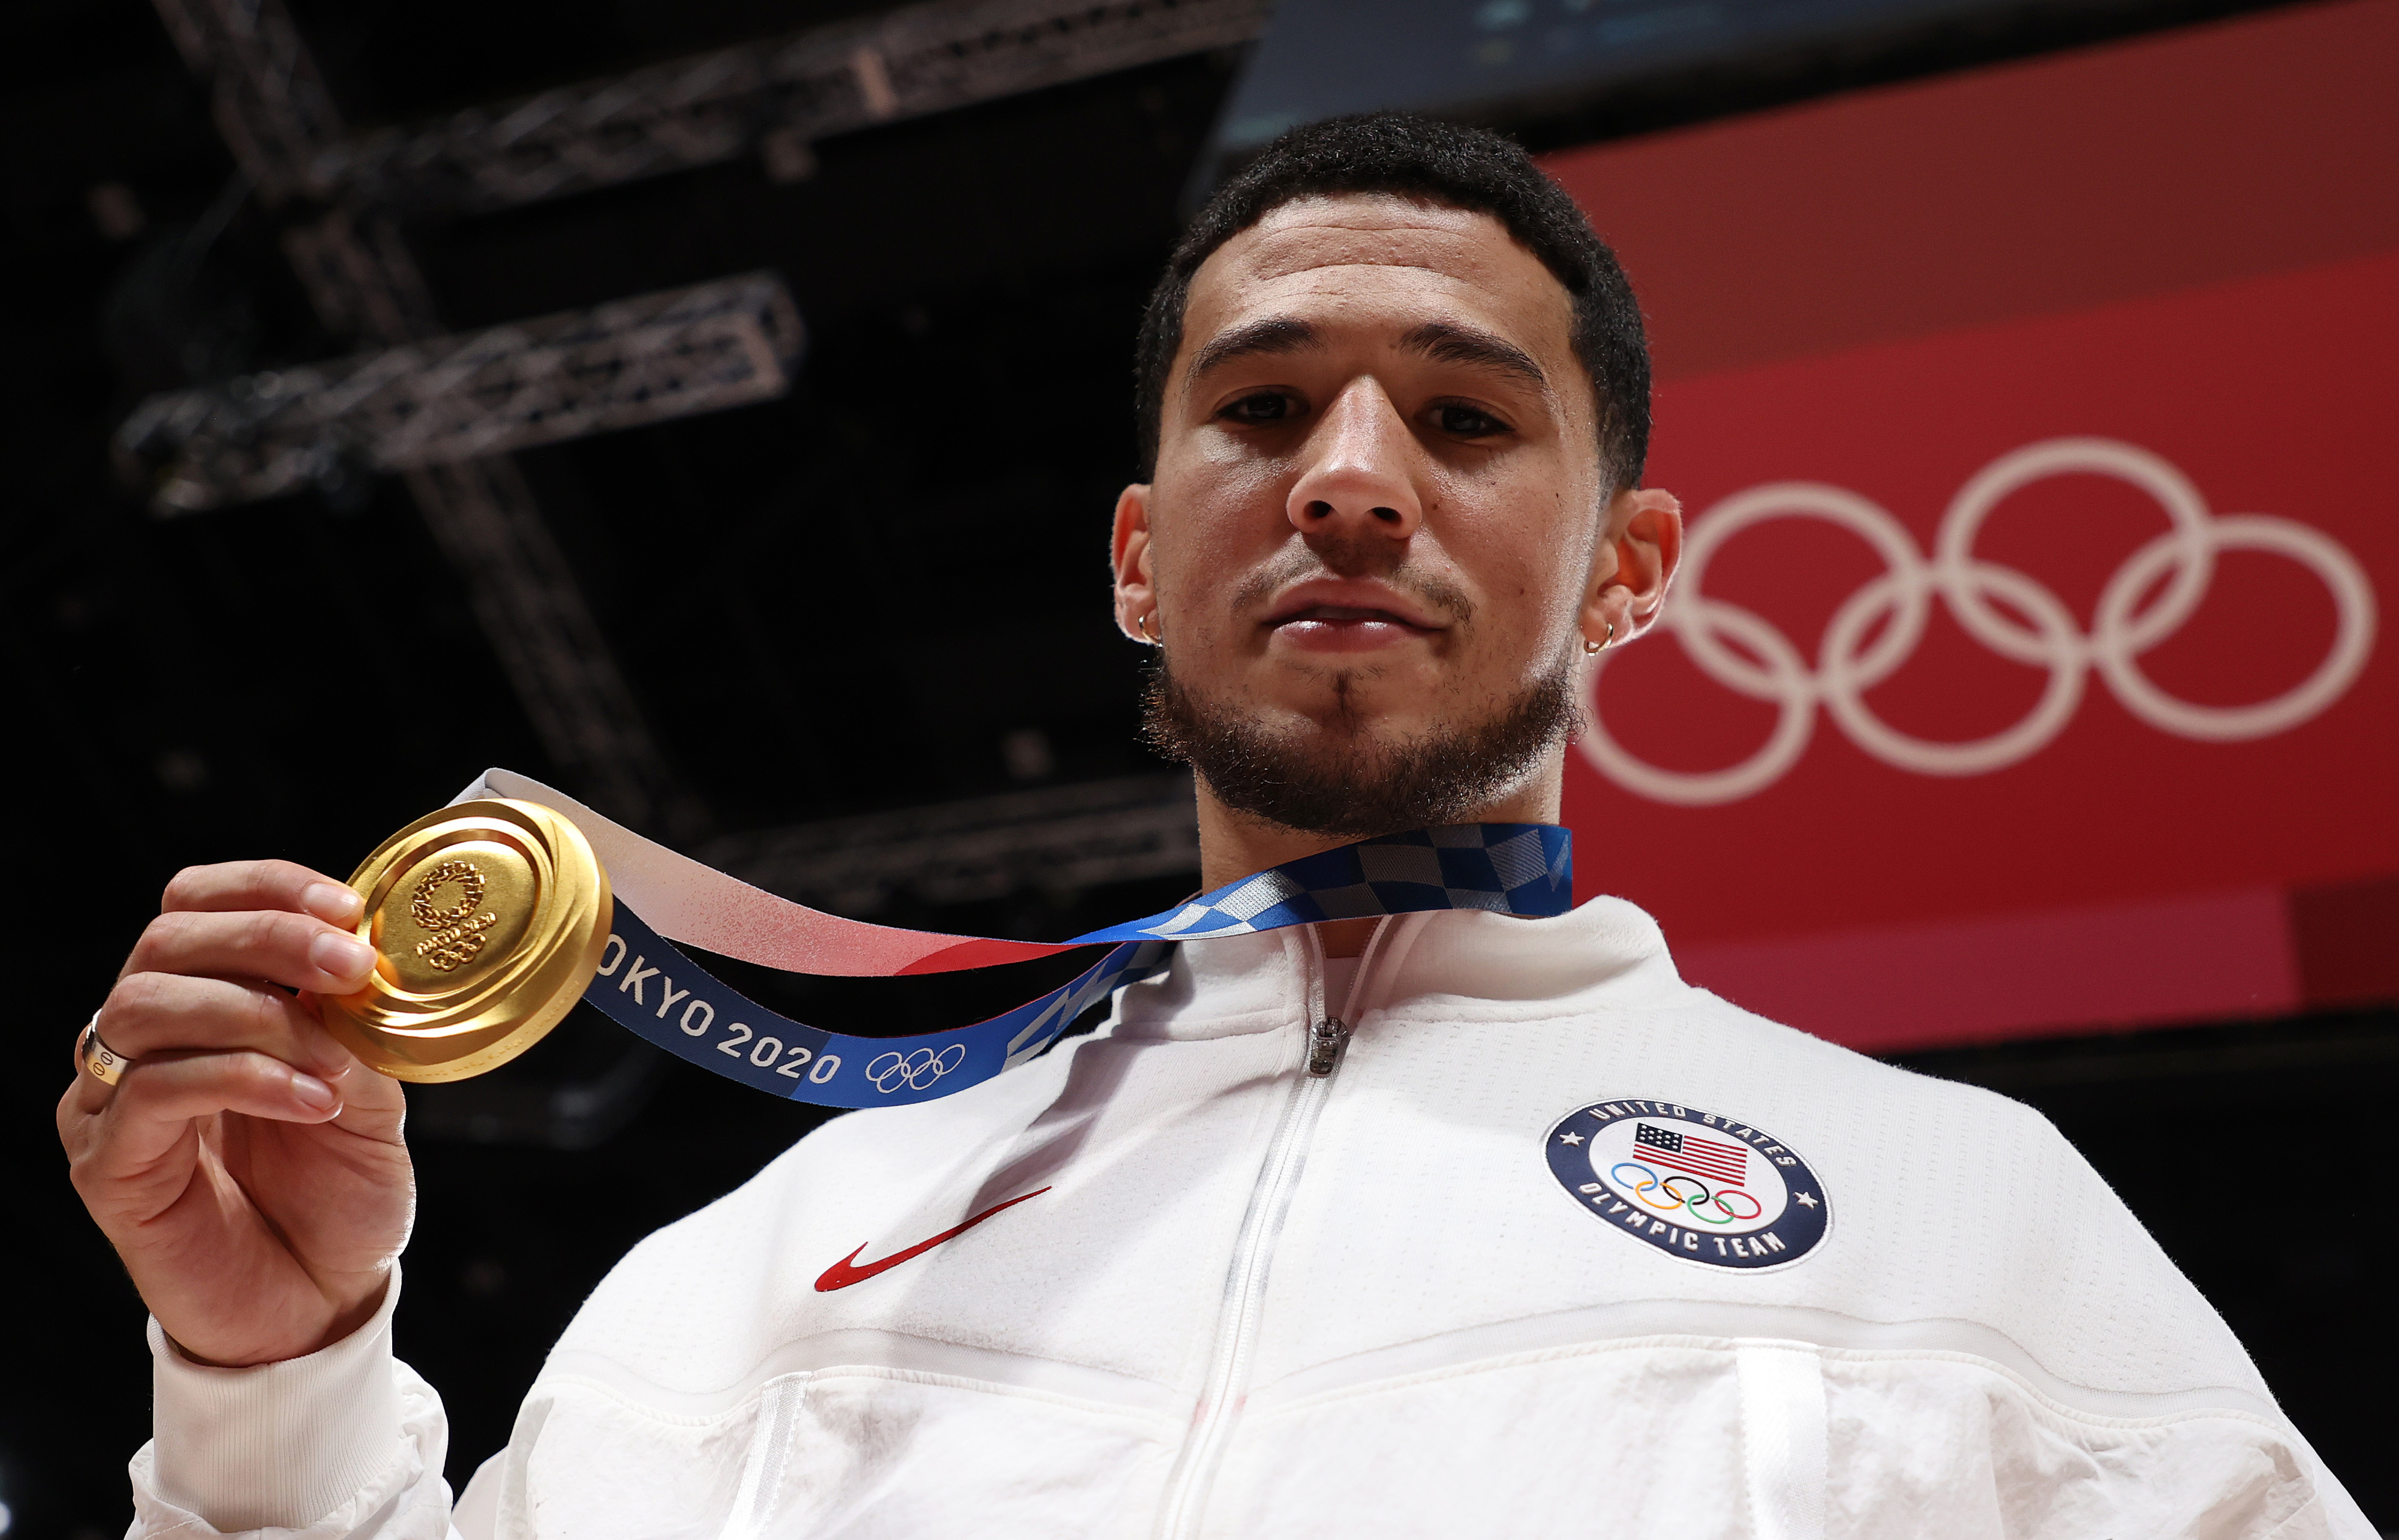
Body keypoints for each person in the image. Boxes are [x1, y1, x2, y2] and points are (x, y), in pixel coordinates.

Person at [62, 113, 2371, 1539]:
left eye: (1465, 416)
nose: (1352, 469)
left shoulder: (1959, 1220)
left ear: (1631, 570)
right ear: (1143, 560)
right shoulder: (762, 1263)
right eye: (1264, 404)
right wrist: (272, 1387)